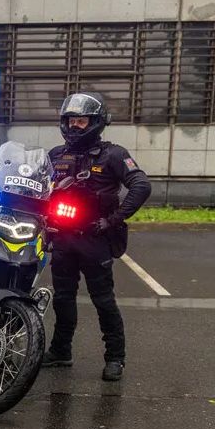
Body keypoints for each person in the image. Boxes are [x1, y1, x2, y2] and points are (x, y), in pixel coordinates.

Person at [42, 92, 151, 382]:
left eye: (82, 121)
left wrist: (113, 220)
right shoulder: (55, 155)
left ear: (96, 122)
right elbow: (38, 188)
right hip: (63, 238)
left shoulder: (113, 154)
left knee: (103, 300)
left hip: (95, 238)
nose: (75, 126)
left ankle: (115, 358)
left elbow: (141, 185)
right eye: (71, 120)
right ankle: (61, 351)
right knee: (62, 299)